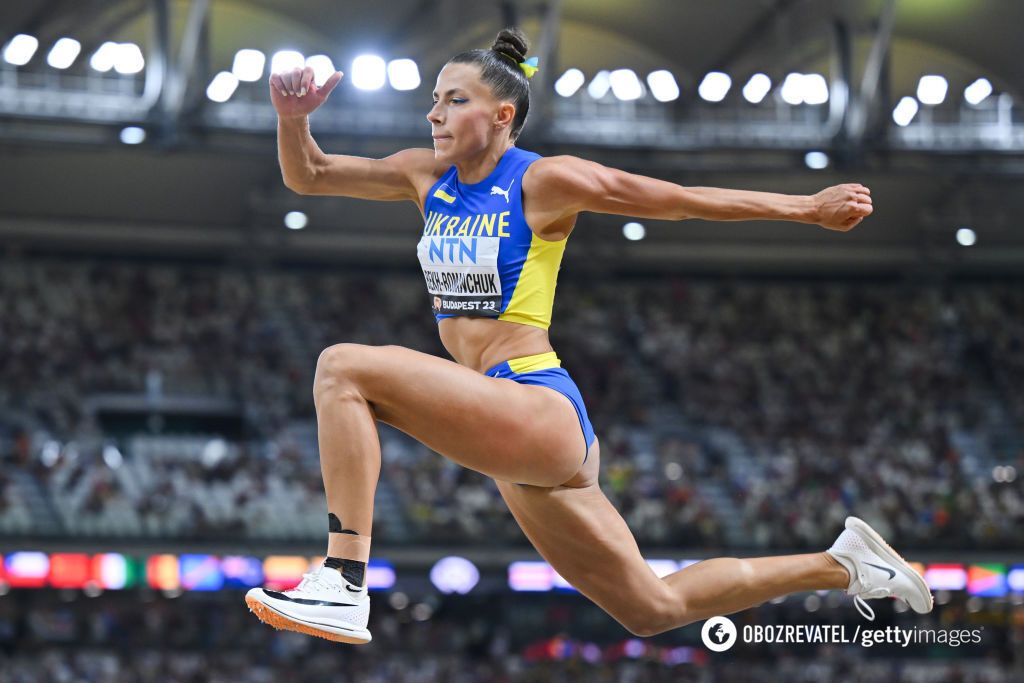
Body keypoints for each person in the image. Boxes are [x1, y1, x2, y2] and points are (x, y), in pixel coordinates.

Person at [245, 28, 932, 644]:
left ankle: (343, 579)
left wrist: (806, 207)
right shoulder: (425, 177)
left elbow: (679, 201)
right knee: (652, 606)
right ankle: (845, 564)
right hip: (512, 422)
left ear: (501, 115)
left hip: (533, 402)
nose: (433, 113)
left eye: (454, 100)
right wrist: (292, 120)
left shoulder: (544, 181)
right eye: (434, 99)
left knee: (342, 367)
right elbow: (311, 174)